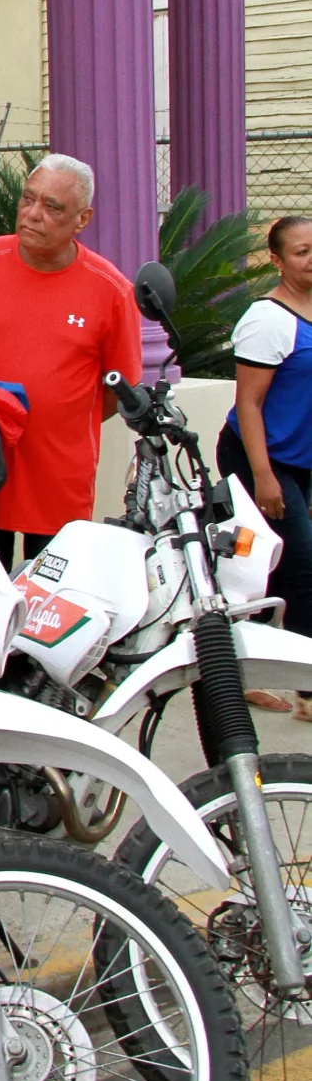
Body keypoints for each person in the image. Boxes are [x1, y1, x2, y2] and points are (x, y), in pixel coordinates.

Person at [0, 154, 141, 568]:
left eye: (52, 207)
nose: (33, 214)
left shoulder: (111, 291)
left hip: (58, 486)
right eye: (27, 199)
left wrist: (59, 421)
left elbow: (116, 390)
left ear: (82, 219)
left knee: (50, 615)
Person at [220, 213, 312, 709]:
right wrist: (263, 478)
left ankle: (238, 666)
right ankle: (305, 687)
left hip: (299, 460)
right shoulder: (268, 320)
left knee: (271, 570)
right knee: (303, 569)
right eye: (301, 251)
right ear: (276, 261)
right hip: (260, 457)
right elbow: (250, 405)